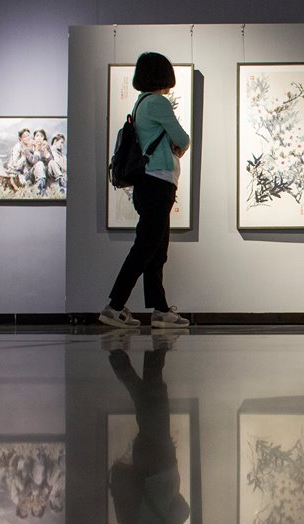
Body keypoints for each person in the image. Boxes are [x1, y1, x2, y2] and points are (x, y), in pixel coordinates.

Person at [100, 52, 191, 330]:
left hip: (147, 185)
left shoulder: (140, 104)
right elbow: (182, 138)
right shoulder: (158, 103)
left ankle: (160, 309)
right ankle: (115, 306)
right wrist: (179, 147)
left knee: (155, 248)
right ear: (162, 76)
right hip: (157, 183)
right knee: (146, 248)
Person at [106, 331, 190, 524]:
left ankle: (140, 351)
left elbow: (182, 510)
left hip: (159, 465)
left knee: (153, 400)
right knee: (148, 402)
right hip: (148, 463)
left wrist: (171, 499)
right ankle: (143, 353)